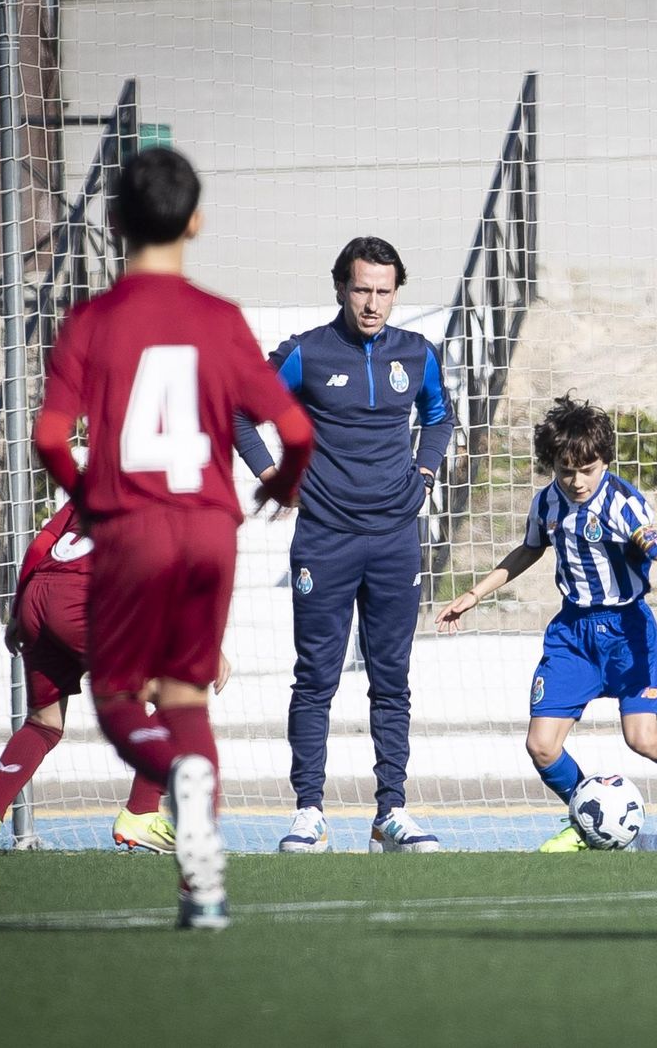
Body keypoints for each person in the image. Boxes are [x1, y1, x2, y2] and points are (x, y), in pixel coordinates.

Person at [33, 147, 313, 929]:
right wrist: (281, 486)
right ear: (196, 221)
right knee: (188, 698)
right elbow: (295, 431)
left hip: (133, 531)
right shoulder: (220, 319)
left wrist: (91, 499)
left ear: (114, 221)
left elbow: (50, 437)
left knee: (119, 697)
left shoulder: (92, 321)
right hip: (210, 532)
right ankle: (204, 892)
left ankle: (175, 777)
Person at [434, 395, 657, 850]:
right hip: (573, 635)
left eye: (588, 469)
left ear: (604, 461)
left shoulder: (622, 503)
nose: (577, 481)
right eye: (567, 470)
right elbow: (529, 549)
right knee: (542, 746)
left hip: (627, 631)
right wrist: (475, 593)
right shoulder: (546, 502)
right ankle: (587, 819)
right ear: (552, 464)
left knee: (643, 739)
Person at [233, 236, 455, 855]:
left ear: (397, 292)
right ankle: (309, 811)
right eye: (362, 289)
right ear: (340, 288)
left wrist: (425, 473)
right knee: (315, 679)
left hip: (394, 540)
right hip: (324, 539)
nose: (373, 303)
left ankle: (391, 811)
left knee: (392, 679)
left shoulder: (417, 353)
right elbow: (240, 412)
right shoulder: (306, 353)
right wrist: (273, 477)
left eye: (384, 291)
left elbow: (439, 417)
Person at [0, 498, 232, 856]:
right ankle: (141, 813)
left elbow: (41, 544)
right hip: (83, 599)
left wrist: (17, 612)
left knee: (43, 723)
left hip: (37, 598)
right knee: (180, 696)